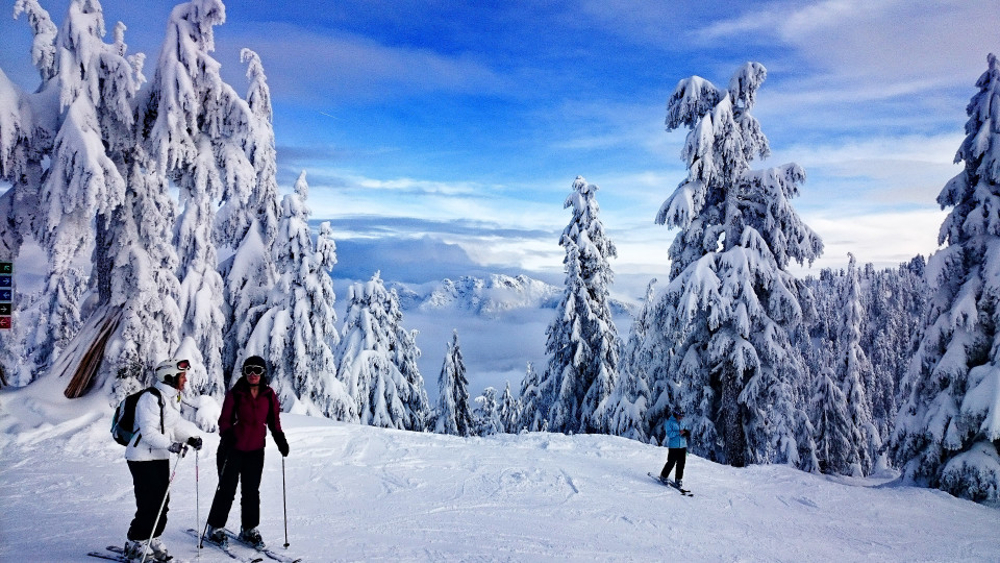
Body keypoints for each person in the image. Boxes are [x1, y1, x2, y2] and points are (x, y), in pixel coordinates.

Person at [204, 355, 289, 549]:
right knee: (227, 489)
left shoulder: (269, 395)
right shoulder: (236, 394)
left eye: (257, 370)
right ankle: (215, 527)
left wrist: (280, 440)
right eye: (249, 370)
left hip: (255, 450)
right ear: (244, 372)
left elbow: (274, 422)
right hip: (231, 449)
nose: (253, 374)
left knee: (251, 491)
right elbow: (224, 420)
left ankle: (249, 529)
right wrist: (227, 435)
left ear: (263, 373)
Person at [124, 358, 203, 561]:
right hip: (141, 457)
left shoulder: (171, 398)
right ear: (169, 376)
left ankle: (153, 537)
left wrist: (189, 438)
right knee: (149, 501)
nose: (185, 380)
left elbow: (172, 427)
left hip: (159, 456)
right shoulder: (150, 398)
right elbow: (148, 433)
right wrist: (171, 445)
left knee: (162, 502)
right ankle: (135, 542)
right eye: (182, 376)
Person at [658, 408, 690, 488]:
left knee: (681, 463)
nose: (681, 417)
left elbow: (685, 431)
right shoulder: (670, 422)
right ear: (675, 414)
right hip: (674, 446)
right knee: (671, 462)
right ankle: (663, 476)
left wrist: (686, 433)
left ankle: (678, 479)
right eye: (680, 416)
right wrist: (678, 433)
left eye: (682, 416)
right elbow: (669, 434)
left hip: (683, 446)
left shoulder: (682, 422)